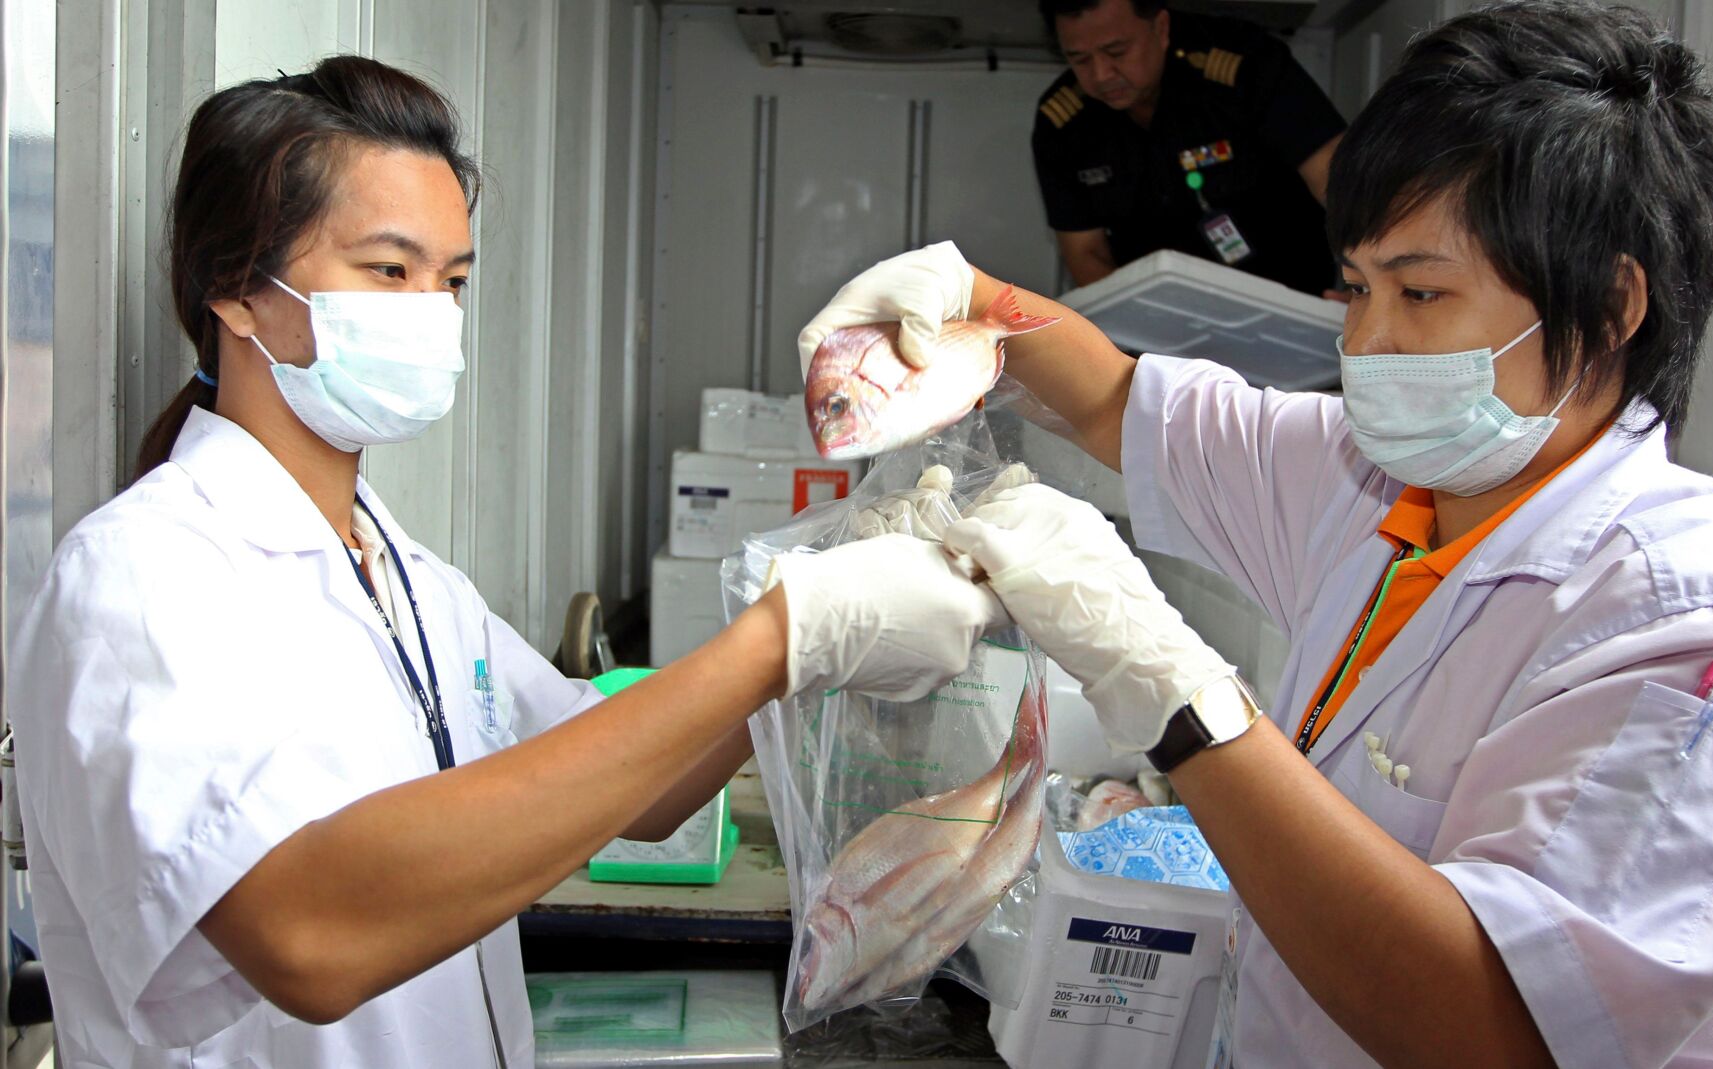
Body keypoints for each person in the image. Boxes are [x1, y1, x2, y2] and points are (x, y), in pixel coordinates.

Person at [799, 3, 1713, 1064]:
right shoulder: (1374, 481)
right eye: (1357, 288)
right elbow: (1118, 400)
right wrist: (973, 306)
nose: (1368, 342)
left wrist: (1173, 691)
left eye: (1422, 292)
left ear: (1608, 301)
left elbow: (1491, 1026)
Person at [5, 57, 1005, 1067]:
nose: (431, 314)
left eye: (452, 281)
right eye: (388, 271)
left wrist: (823, 607)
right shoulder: (142, 581)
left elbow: (636, 789)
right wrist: (778, 640)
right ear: (236, 290)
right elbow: (307, 935)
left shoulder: (411, 582)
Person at [1032, 0, 1345, 293]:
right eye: (1080, 59)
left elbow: (1340, 184)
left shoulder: (1244, 67)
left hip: (1291, 294)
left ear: (1161, 28)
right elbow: (1086, 253)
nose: (1101, 75)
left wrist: (1367, 288)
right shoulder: (1064, 125)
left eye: (1117, 52)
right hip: (1160, 314)